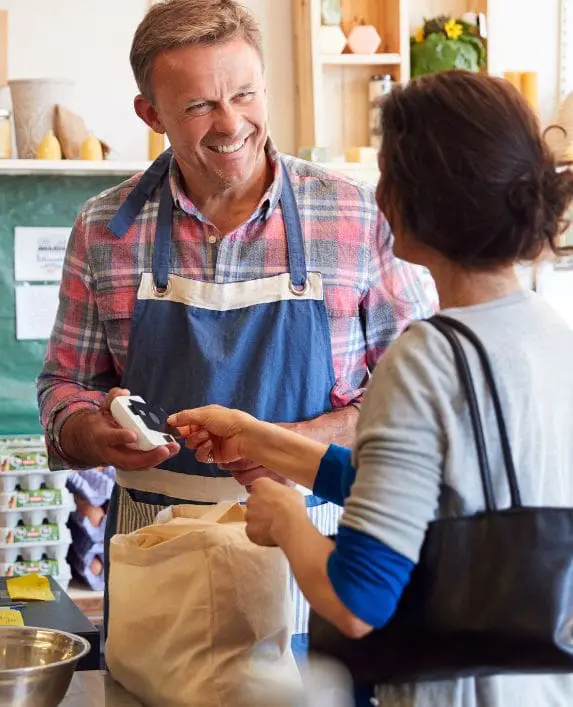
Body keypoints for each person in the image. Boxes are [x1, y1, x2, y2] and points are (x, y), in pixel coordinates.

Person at [36, 0, 434, 653]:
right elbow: (64, 388)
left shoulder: (354, 215)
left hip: (315, 555)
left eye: (244, 94)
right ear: (151, 114)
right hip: (156, 557)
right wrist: (92, 430)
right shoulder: (104, 229)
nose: (231, 124)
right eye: (198, 107)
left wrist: (287, 444)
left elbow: (411, 403)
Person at [168, 70, 573, 707]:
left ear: (418, 198)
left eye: (388, 173)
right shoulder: (551, 335)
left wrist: (287, 520)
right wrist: (258, 439)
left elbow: (356, 601)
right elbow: (438, 497)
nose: (378, 193)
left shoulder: (427, 358)